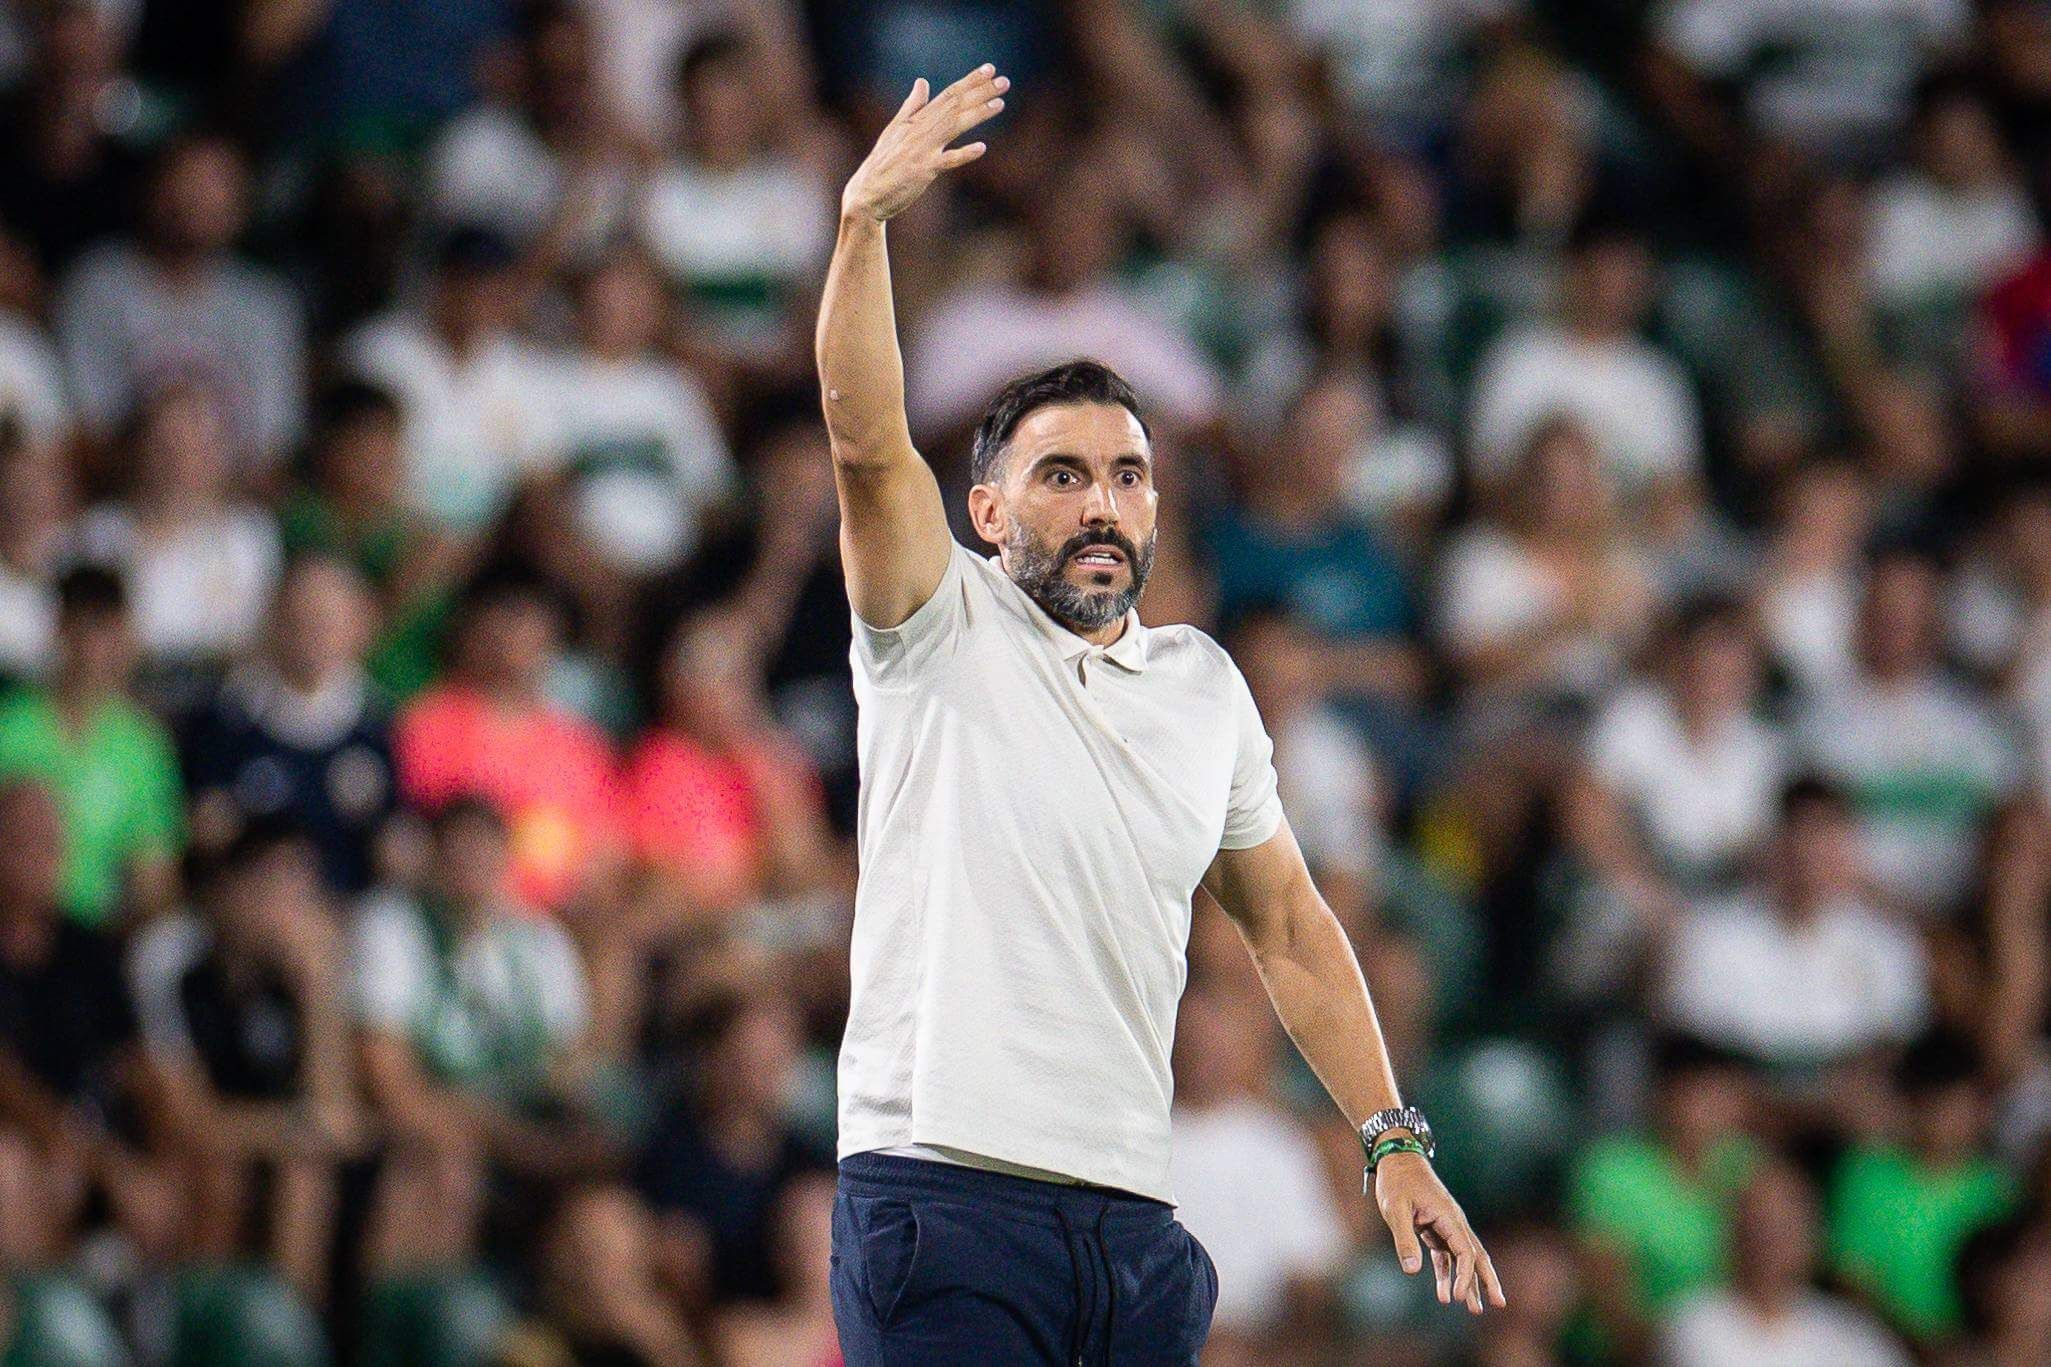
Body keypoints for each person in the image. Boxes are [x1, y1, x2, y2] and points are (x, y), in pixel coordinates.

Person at [816, 64, 1501, 1365]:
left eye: (1128, 475)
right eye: (1061, 474)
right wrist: (865, 229)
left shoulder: (1204, 685)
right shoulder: (931, 622)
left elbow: (1291, 925)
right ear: (991, 513)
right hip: (944, 1200)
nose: (1102, 503)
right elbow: (862, 439)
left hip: (1132, 1219)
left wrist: (1391, 1141)